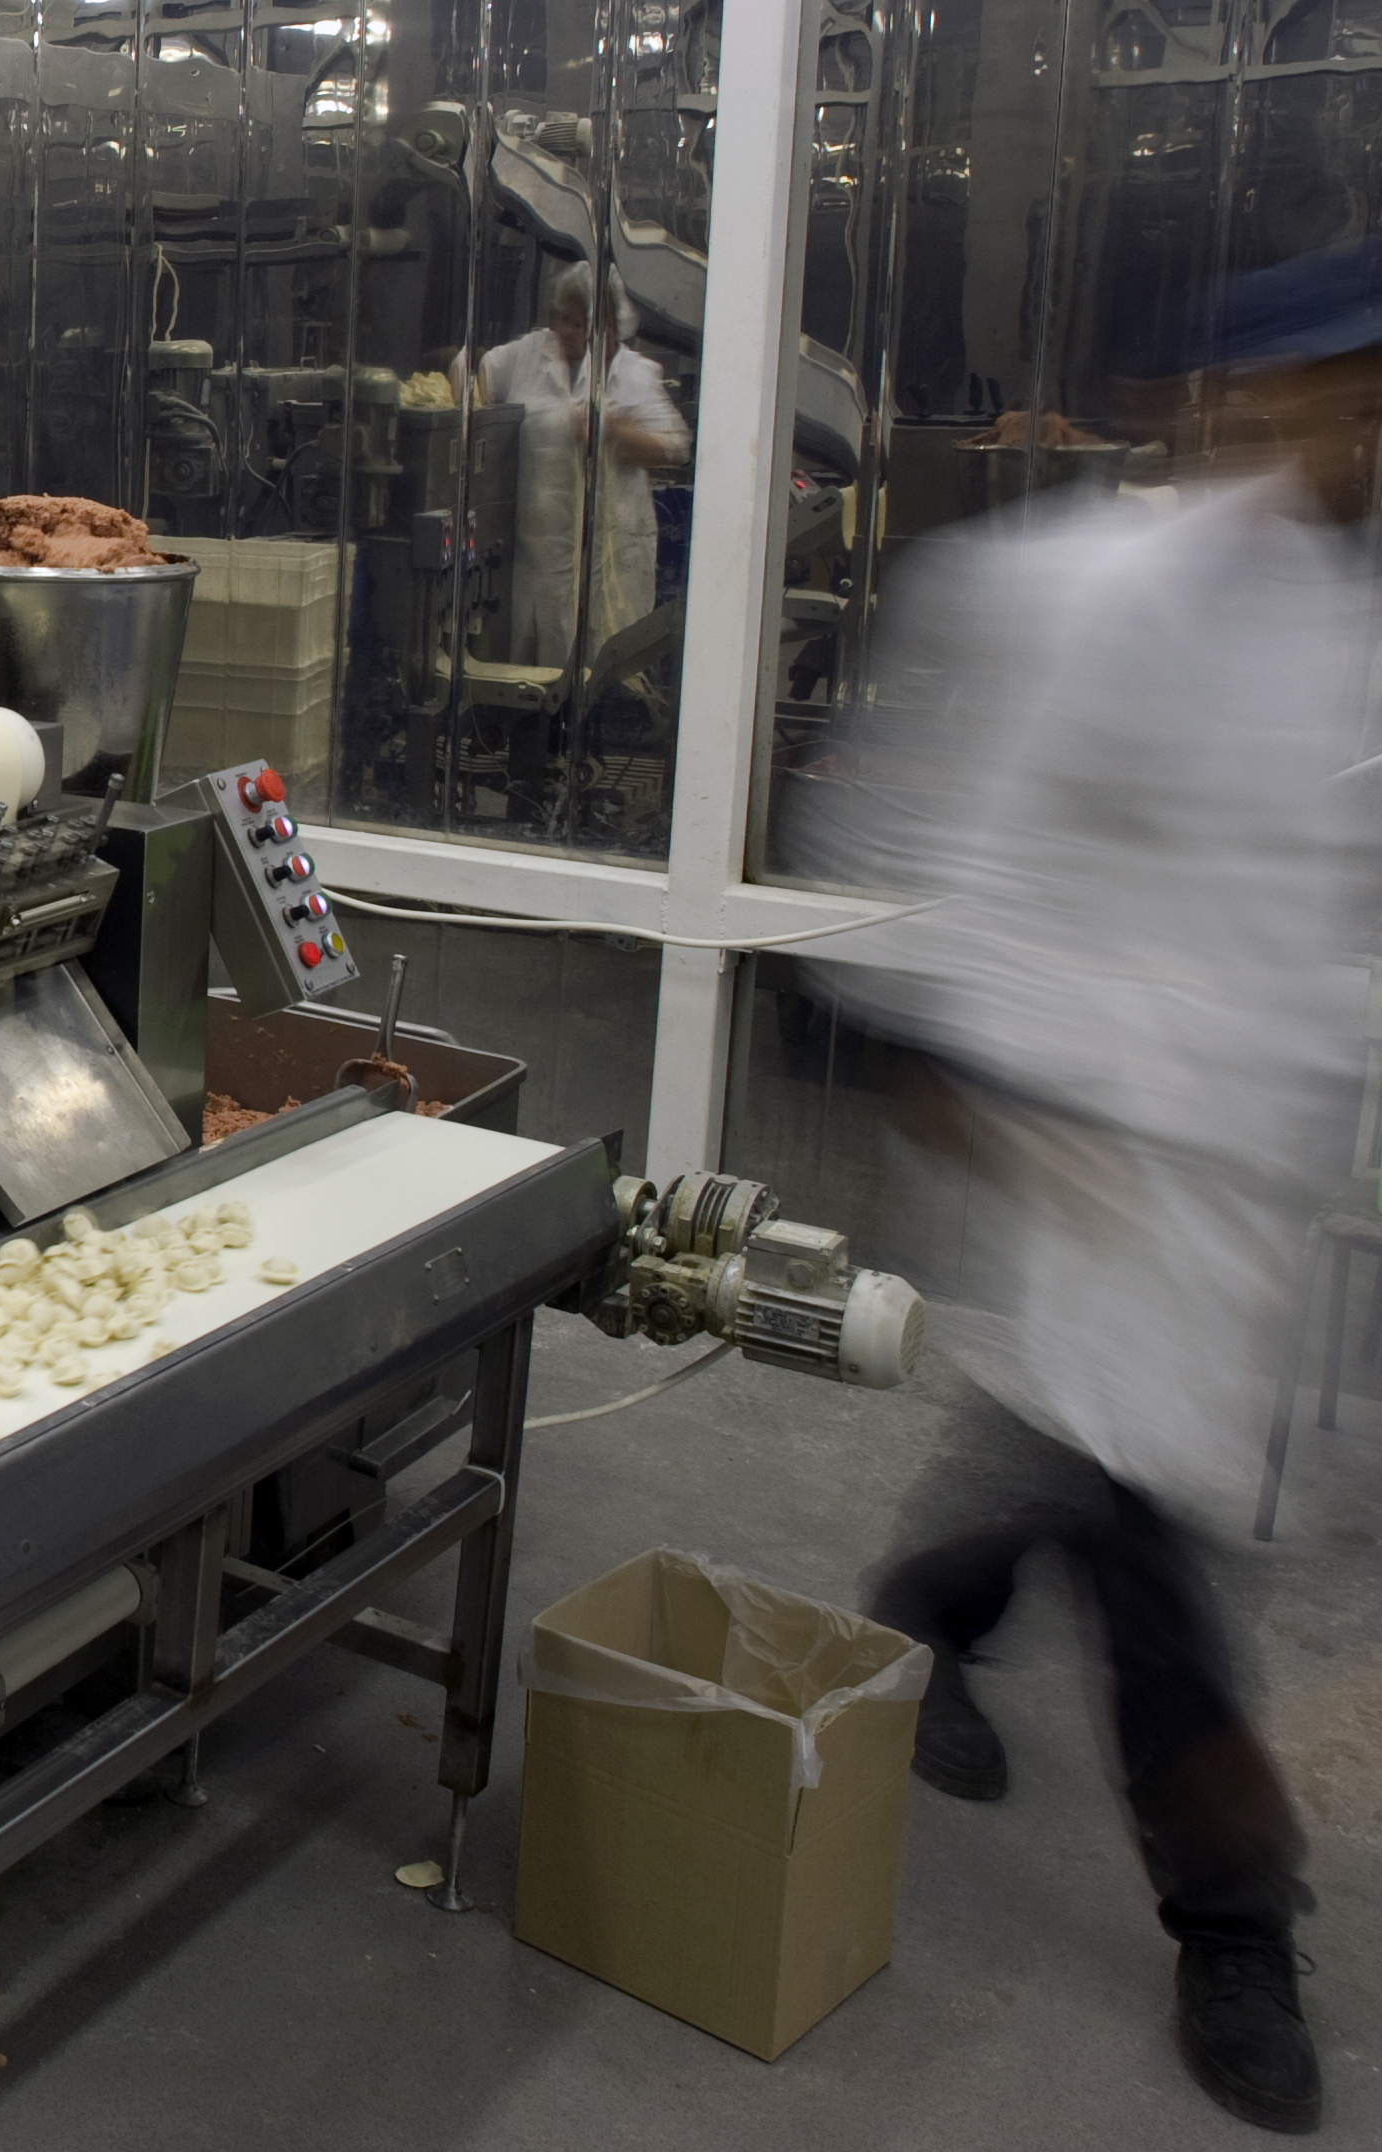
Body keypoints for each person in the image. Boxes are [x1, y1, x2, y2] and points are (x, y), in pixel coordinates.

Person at [805, 234, 1382, 2137]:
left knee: (1084, 1462)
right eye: (1342, 390)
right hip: (1089, 1143)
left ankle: (921, 1614)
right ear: (1240, 398)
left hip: (1230, 1171)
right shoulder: (1070, 593)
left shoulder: (1340, 621)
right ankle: (1240, 1923)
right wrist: (976, 1075)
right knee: (1152, 1547)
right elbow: (925, 837)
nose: (1359, 427)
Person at [476, 262, 689, 669]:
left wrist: (613, 431)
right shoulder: (531, 353)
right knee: (533, 670)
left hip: (609, 557)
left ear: (608, 326)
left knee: (602, 668)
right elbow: (478, 371)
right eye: (561, 319)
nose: (566, 332)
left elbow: (675, 448)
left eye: (579, 322)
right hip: (537, 558)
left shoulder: (634, 374)